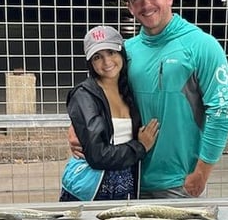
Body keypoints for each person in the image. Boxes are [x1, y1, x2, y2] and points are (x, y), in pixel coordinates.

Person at [68, 0, 228, 199]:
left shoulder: (202, 46)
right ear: (129, 7)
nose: (145, 4)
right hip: (129, 177)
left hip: (179, 183)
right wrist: (76, 127)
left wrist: (202, 173)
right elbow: (99, 93)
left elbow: (222, 111)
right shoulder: (128, 51)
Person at [59, 25, 159, 201]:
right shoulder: (84, 95)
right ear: (90, 62)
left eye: (111, 52)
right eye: (98, 57)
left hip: (126, 183)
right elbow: (97, 155)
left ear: (121, 53)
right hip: (90, 188)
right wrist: (140, 147)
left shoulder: (129, 89)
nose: (107, 62)